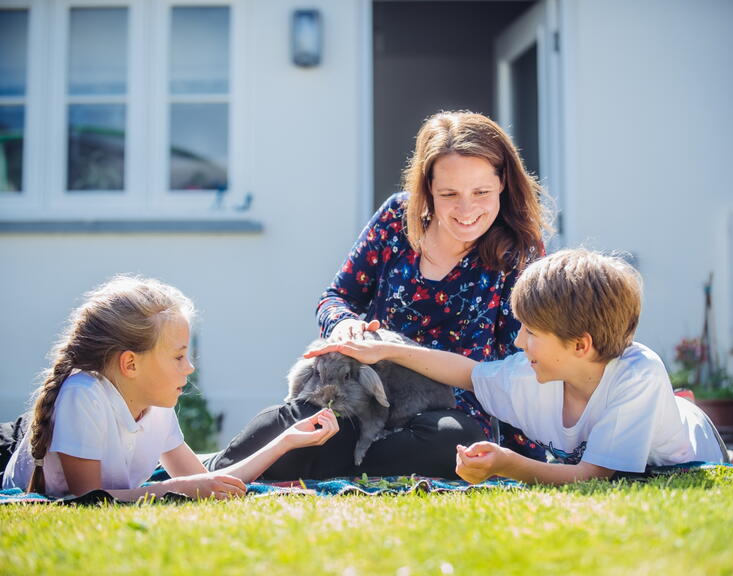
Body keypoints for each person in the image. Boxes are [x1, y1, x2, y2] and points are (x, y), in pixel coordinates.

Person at [208, 110, 551, 479]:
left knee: (455, 442)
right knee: (309, 420)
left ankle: (319, 461)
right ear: (427, 189)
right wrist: (343, 325)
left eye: (481, 192)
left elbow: (515, 369)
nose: (467, 210)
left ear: (503, 183)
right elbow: (336, 296)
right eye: (449, 194)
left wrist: (520, 458)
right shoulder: (396, 217)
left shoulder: (520, 253)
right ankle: (218, 468)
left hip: (448, 417)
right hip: (367, 400)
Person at [305, 249, 727, 485]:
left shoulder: (638, 373)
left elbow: (591, 476)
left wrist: (507, 464)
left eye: (531, 333)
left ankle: (700, 423)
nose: (519, 341)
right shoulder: (533, 378)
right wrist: (387, 351)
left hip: (694, 447)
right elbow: (467, 372)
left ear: (580, 345)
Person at [2, 276, 339, 500]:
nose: (190, 368)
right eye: (178, 357)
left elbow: (207, 480)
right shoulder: (83, 396)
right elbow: (88, 499)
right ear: (130, 364)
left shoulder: (156, 406)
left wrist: (286, 440)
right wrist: (169, 489)